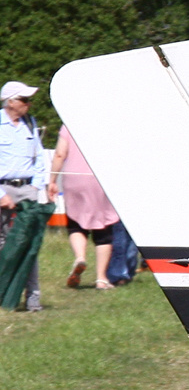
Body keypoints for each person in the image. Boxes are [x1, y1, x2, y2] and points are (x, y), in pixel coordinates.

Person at [47, 127, 118, 290]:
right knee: (104, 228)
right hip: (99, 178)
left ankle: (80, 257)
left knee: (75, 224)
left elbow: (59, 154)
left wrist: (52, 180)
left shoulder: (68, 125)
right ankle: (101, 278)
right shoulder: (105, 125)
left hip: (74, 180)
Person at [0, 80, 46, 311]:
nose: (29, 104)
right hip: (3, 190)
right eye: (24, 99)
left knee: (29, 244)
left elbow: (39, 158)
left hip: (28, 189)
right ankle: (5, 296)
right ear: (11, 102)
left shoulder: (30, 123)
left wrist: (36, 187)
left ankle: (33, 299)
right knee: (4, 244)